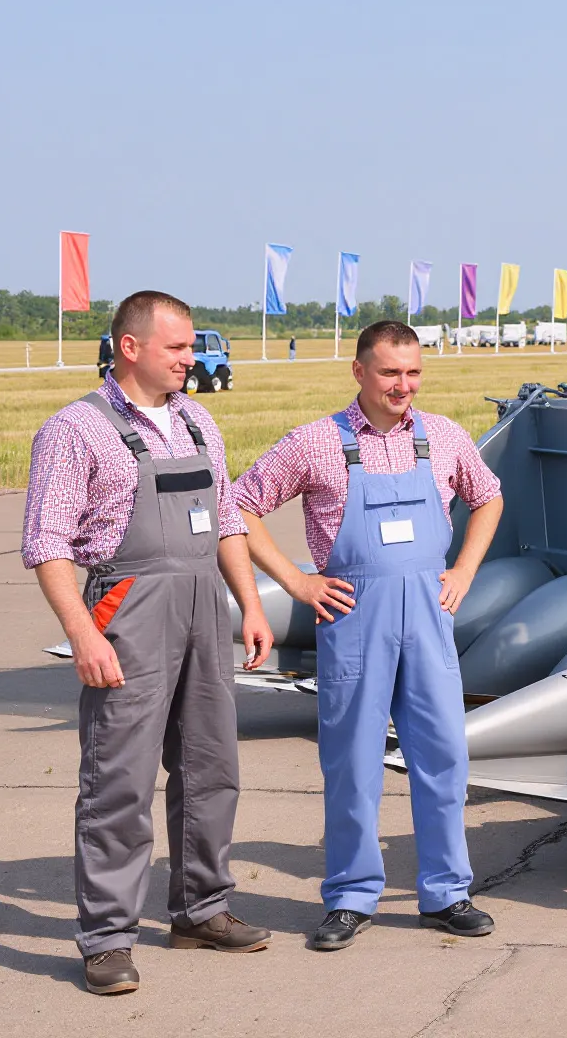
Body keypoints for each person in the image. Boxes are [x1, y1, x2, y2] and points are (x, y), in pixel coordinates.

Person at [22, 291, 275, 995]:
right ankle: (106, 939)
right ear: (130, 347)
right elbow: (46, 544)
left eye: (191, 347)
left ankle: (201, 908)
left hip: (203, 604)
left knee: (210, 765)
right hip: (126, 608)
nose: (190, 360)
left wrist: (249, 605)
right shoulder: (77, 429)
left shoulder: (198, 420)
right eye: (177, 348)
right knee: (119, 780)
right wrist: (82, 634)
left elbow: (228, 519)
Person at [232, 321, 504, 952]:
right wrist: (298, 584)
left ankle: (446, 893)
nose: (402, 385)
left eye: (412, 373)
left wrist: (464, 569)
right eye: (389, 373)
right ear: (360, 372)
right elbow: (239, 503)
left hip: (430, 617)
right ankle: (352, 895)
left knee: (444, 757)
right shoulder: (315, 443)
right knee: (353, 761)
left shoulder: (445, 437)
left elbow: (488, 498)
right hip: (354, 619)